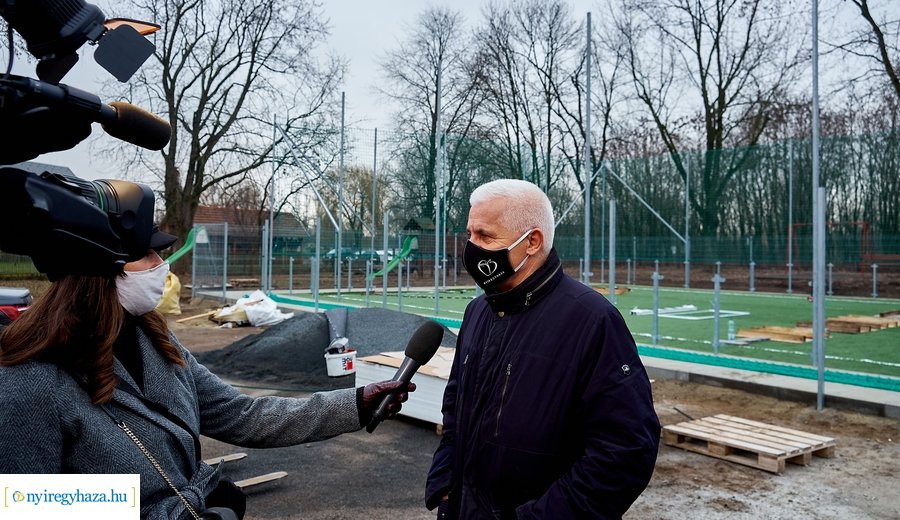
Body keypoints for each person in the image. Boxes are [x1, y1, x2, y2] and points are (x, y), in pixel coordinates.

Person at [0, 182, 413, 520]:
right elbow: (29, 503)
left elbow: (241, 415)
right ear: (99, 266)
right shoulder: (30, 379)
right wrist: (172, 513)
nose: (163, 264)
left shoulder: (153, 339)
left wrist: (355, 404)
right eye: (148, 253)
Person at [426, 179, 660, 519]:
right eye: (470, 235)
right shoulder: (478, 311)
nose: (472, 248)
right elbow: (456, 407)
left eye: (485, 236)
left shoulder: (592, 320)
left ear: (532, 242)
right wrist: (446, 487)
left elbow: (625, 451)